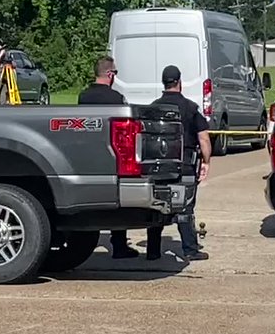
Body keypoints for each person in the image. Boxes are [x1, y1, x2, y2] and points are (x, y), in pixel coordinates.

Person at [146, 65, 211, 261]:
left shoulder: (153, 108)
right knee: (185, 207)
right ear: (179, 83)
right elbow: (204, 139)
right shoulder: (190, 108)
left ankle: (153, 251)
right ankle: (190, 250)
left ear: (164, 83)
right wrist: (207, 162)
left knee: (157, 207)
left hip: (159, 167)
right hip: (185, 166)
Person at [78, 56, 139, 259]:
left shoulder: (83, 97)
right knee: (116, 204)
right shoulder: (116, 99)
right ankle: (119, 245)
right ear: (110, 74)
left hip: (87, 153)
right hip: (111, 154)